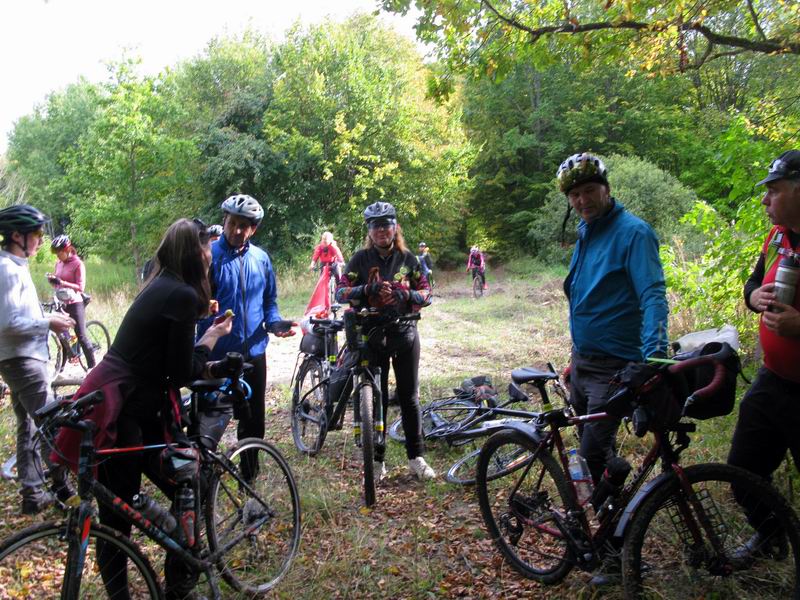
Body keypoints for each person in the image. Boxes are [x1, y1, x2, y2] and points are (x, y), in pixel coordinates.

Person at [54, 218, 233, 599]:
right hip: (131, 408)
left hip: (113, 397)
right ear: (198, 252)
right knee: (186, 487)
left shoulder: (159, 284)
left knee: (116, 516)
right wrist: (213, 337)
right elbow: (180, 372)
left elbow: (159, 350)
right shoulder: (182, 294)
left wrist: (199, 326)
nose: (210, 255)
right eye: (208, 249)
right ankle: (180, 590)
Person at [558, 153, 668, 582]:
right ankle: (607, 525)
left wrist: (654, 357)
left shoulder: (633, 233)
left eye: (589, 191)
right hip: (585, 362)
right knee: (596, 457)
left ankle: (607, 552)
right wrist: (574, 357)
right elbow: (585, 300)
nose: (583, 200)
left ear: (606, 188)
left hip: (616, 367)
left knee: (586, 455)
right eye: (575, 195)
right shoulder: (586, 232)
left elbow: (653, 295)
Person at [727, 150, 800, 559]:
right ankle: (772, 537)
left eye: (772, 191)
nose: (764, 200)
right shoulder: (775, 238)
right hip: (772, 380)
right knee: (742, 473)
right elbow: (753, 283)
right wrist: (754, 296)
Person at [196, 194, 295, 478]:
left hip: (253, 354)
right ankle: (201, 482)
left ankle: (249, 481)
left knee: (252, 423)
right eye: (232, 223)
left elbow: (269, 303)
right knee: (207, 423)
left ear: (254, 229)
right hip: (214, 354)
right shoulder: (210, 256)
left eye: (244, 226)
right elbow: (196, 304)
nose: (237, 230)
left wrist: (275, 325)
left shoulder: (261, 259)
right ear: (224, 221)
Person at [336, 201, 435, 480]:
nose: (382, 230)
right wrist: (367, 288)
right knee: (375, 396)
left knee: (409, 397)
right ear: (370, 230)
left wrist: (407, 295)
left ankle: (416, 457)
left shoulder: (409, 259)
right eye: (376, 226)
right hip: (372, 334)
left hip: (404, 333)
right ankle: (377, 459)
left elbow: (427, 294)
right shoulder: (359, 260)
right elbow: (340, 293)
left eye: (386, 224)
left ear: (395, 228)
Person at [0, 205, 76, 515]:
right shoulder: (6, 269)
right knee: (50, 423)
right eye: (36, 235)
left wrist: (46, 315)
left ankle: (32, 494)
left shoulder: (15, 265)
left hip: (23, 357)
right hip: (22, 359)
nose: (41, 241)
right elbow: (6, 322)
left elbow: (18, 315)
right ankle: (63, 492)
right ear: (17, 235)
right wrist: (49, 323)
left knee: (28, 425)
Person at [47, 235, 95, 368]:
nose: (57, 255)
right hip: (61, 301)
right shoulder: (58, 263)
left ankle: (92, 368)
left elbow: (80, 287)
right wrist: (53, 281)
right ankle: (60, 368)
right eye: (55, 253)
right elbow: (58, 285)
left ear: (67, 249)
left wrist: (62, 282)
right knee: (60, 335)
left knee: (81, 337)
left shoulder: (78, 264)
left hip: (75, 302)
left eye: (59, 252)